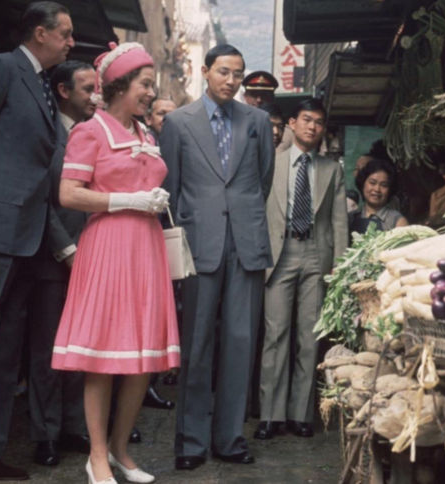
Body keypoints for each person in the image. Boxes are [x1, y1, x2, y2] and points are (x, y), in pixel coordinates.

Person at [51, 41, 178, 484]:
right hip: (107, 248)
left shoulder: (147, 135)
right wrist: (128, 199)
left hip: (146, 248)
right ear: (121, 85)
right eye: (145, 85)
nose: (150, 93)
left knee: (142, 358)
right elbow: (68, 193)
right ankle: (98, 455)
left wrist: (154, 201)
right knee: (103, 357)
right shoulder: (91, 131)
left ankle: (123, 451)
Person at [0, 0, 74, 483]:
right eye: (66, 34)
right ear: (39, 32)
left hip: (25, 237)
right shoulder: (1, 68)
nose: (71, 43)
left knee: (4, 351)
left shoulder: (39, 84)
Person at [160, 43, 276, 470]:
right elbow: (169, 191)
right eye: (224, 72)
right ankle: (190, 443)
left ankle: (230, 438)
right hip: (198, 245)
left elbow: (261, 181)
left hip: (246, 243)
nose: (231, 80)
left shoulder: (258, 122)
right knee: (196, 344)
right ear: (205, 72)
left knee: (241, 342)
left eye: (238, 74)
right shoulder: (177, 122)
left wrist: (239, 218)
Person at [255, 98, 347, 440]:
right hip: (279, 254)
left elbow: (339, 224)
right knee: (275, 334)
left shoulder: (331, 169)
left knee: (309, 338)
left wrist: (339, 268)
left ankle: (300, 413)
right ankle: (270, 415)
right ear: (292, 123)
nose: (313, 127)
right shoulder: (271, 164)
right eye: (307, 120)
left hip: (315, 256)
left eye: (319, 122)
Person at [26, 60, 96, 468]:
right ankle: (45, 434)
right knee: (48, 350)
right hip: (55, 259)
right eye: (87, 89)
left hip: (93, 257)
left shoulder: (94, 133)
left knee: (81, 347)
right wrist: (66, 250)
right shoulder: (48, 134)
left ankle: (73, 426)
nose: (95, 96)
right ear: (64, 91)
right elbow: (42, 198)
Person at [349, 158, 408, 236]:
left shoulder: (398, 222)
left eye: (384, 185)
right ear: (363, 183)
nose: (377, 189)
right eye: (372, 183)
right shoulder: (350, 218)